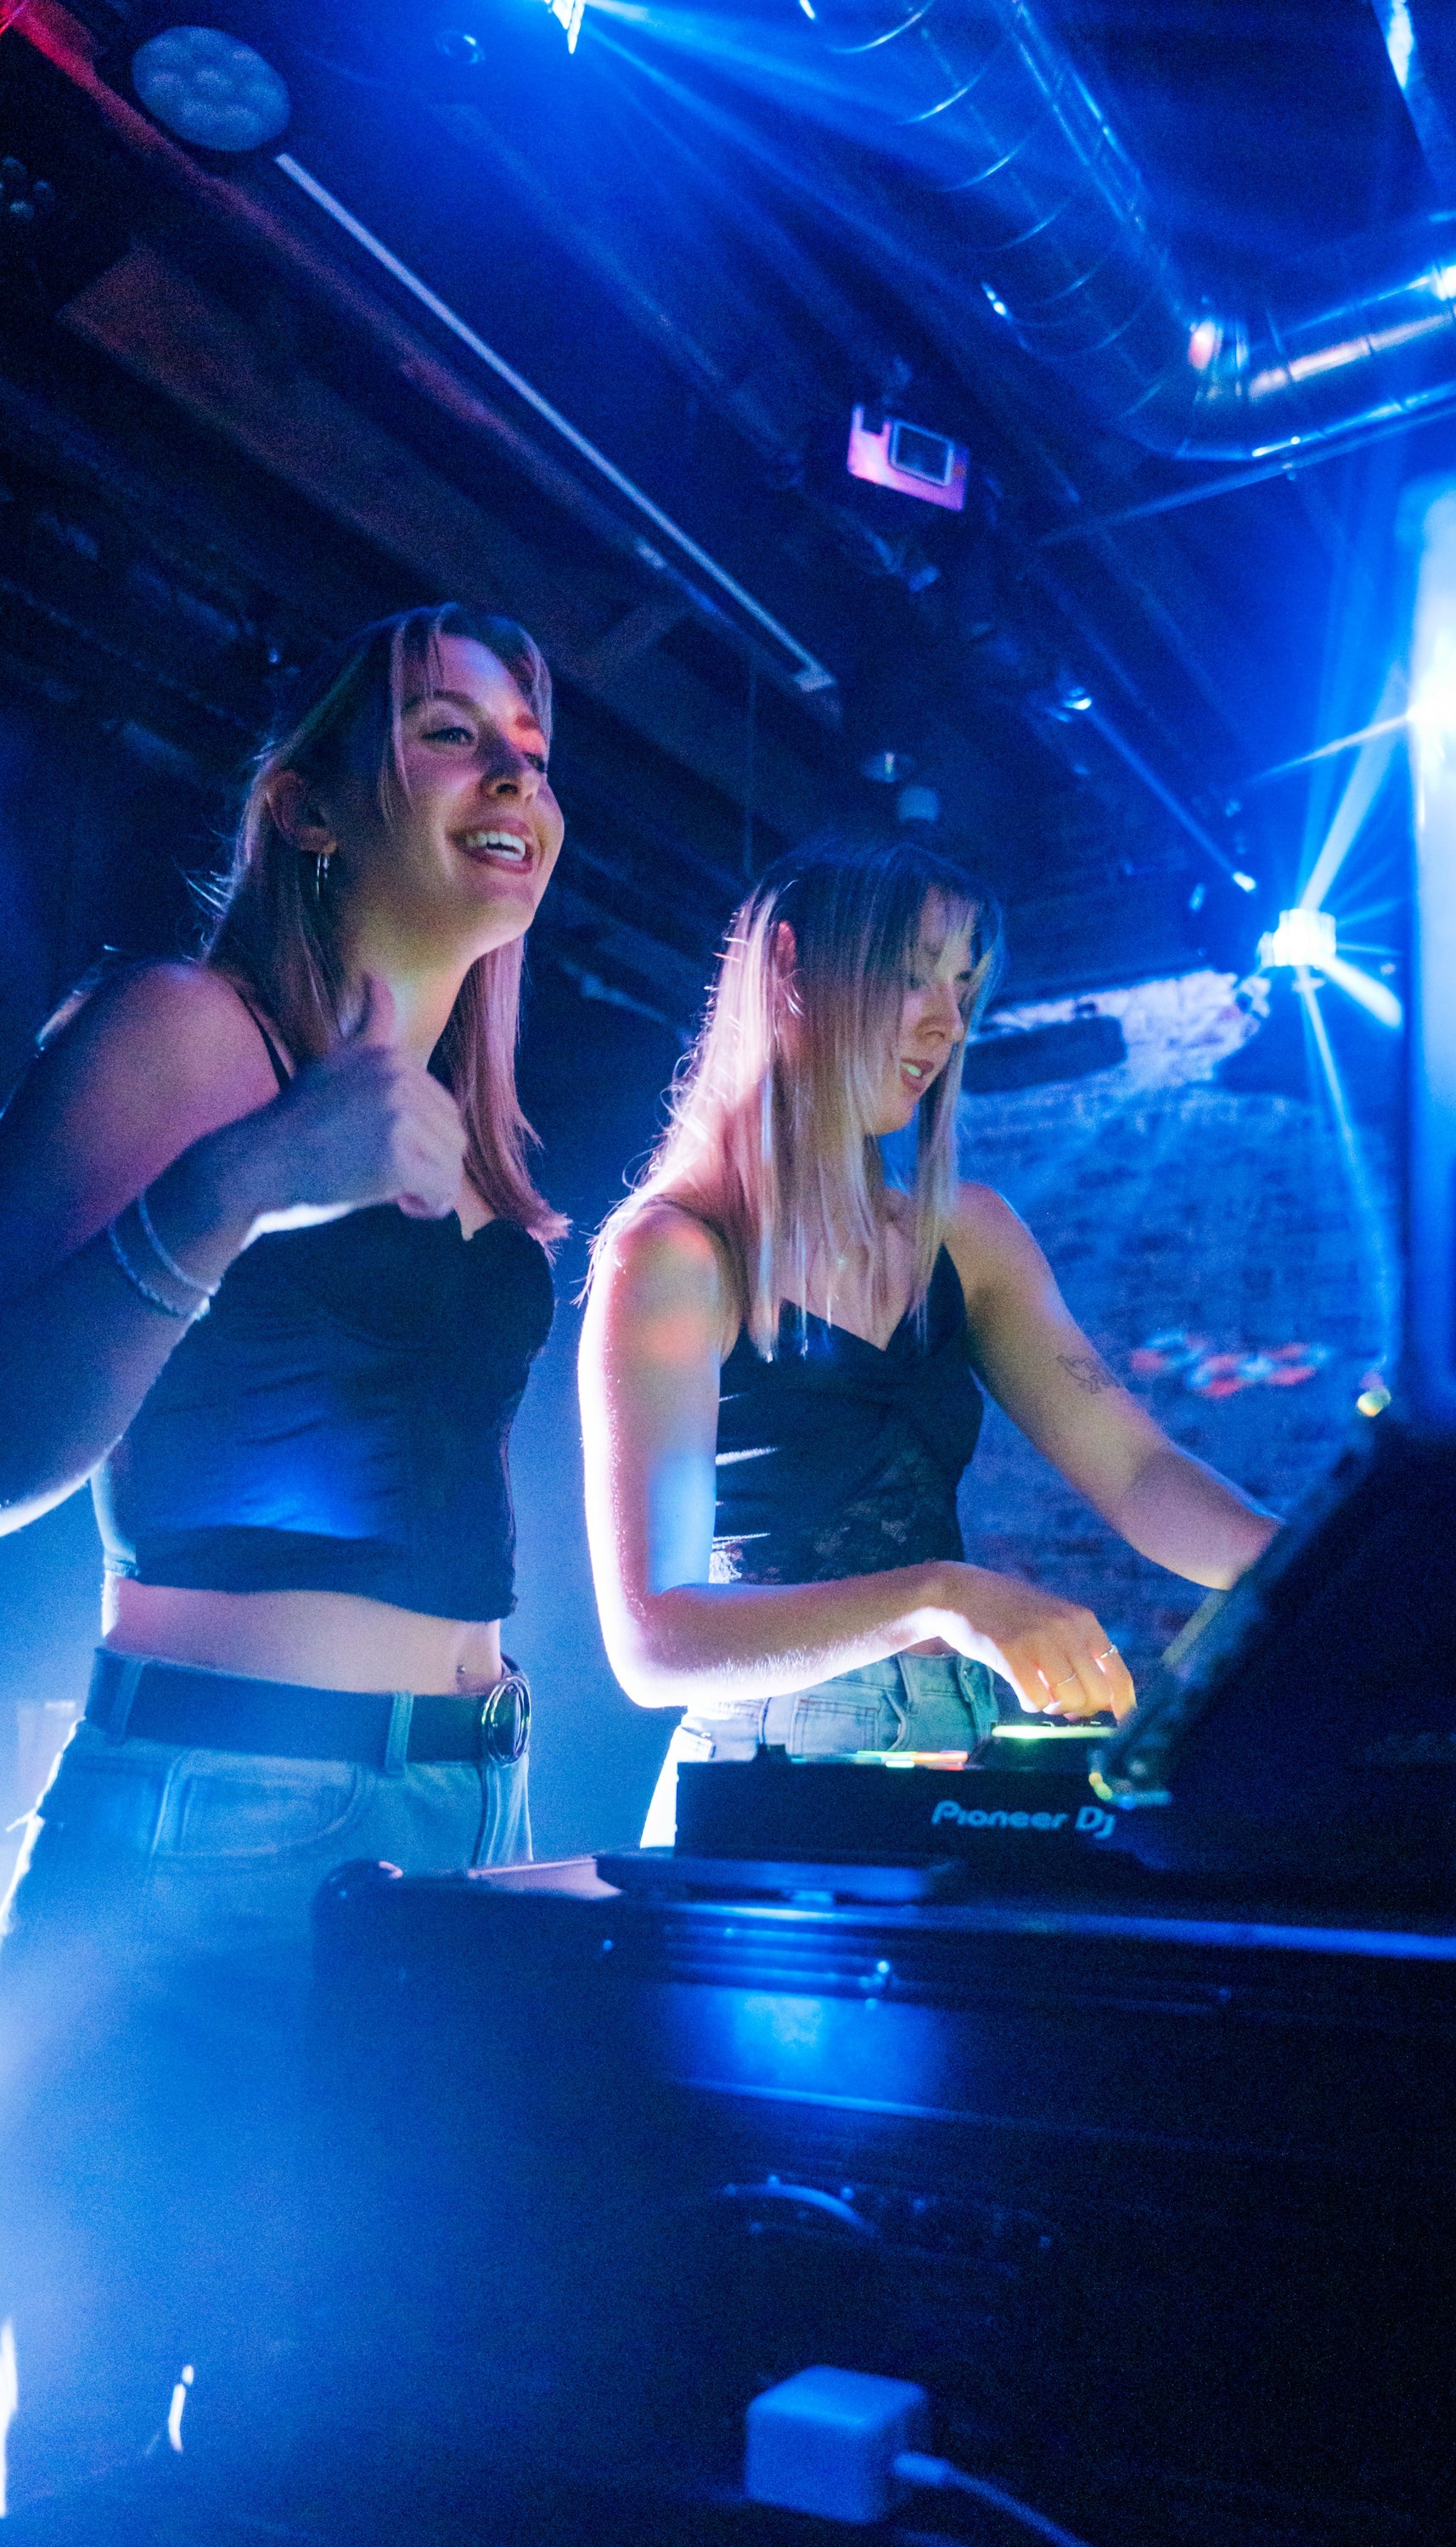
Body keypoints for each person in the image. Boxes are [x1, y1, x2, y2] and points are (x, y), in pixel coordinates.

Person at [0, 603, 565, 2500]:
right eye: (447, 732)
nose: (514, 775)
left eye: (532, 749)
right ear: (310, 809)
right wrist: (249, 1180)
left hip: (458, 1821)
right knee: (107, 2447)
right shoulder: (188, 1030)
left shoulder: (495, 1149)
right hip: (210, 1821)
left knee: (336, 2431)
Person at [578, 835, 1277, 1846]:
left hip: (958, 1752)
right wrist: (944, 1598)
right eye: (911, 978)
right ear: (788, 966)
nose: (945, 1023)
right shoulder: (678, 1252)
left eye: (961, 987)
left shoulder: (972, 1236)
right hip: (762, 1769)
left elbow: (1136, 1472)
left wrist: (1313, 1575)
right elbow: (653, 1645)